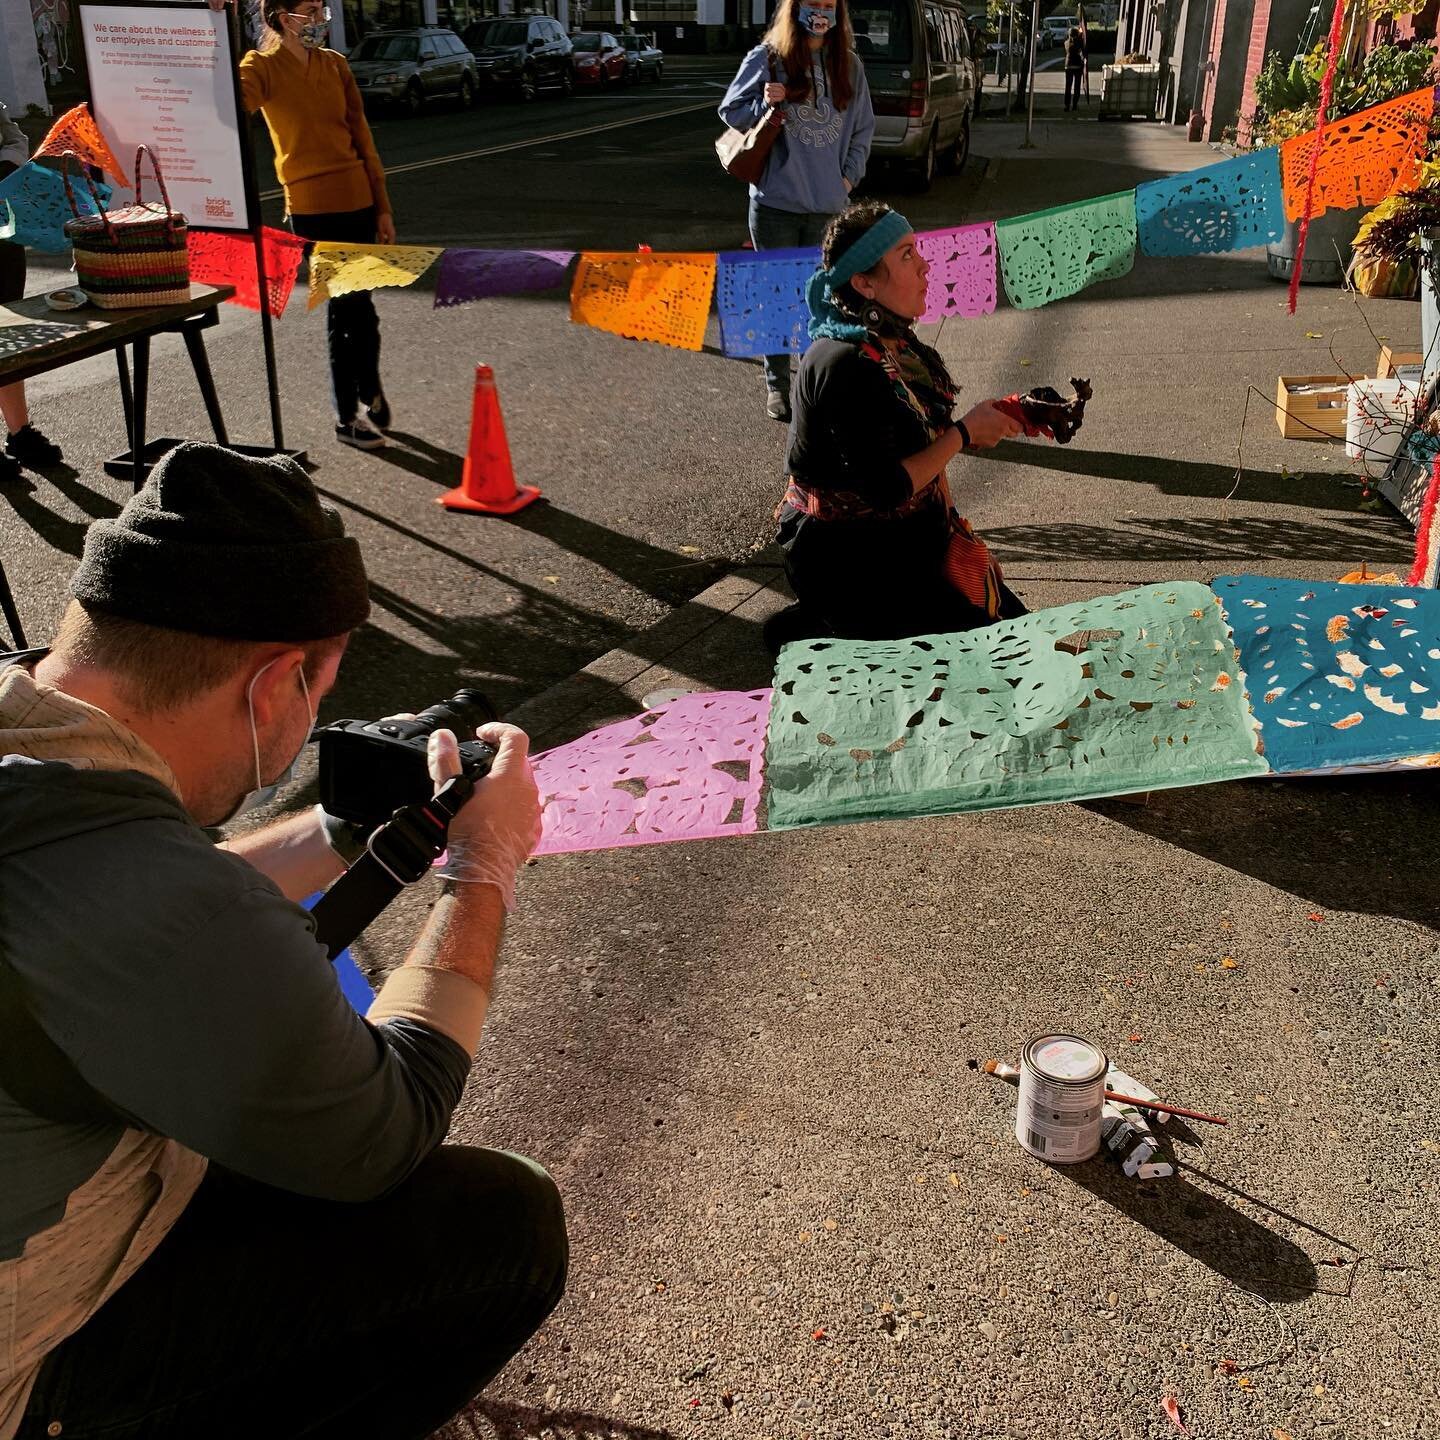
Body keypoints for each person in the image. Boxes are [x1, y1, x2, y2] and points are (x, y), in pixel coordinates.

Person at [0, 443, 566, 1439]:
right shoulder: (163, 902)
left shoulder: (37, 765)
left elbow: (147, 932)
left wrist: (344, 833)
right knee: (498, 1228)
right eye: (313, 698)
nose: (306, 727)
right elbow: (387, 1125)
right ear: (272, 688)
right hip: (28, 1378)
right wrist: (485, 865)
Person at [767, 201, 1027, 648]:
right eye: (907, 256)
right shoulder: (844, 363)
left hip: (902, 541)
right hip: (852, 560)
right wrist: (963, 433)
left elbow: (924, 454)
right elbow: (885, 489)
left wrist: (961, 540)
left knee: (1017, 627)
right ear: (864, 283)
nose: (925, 266)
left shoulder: (893, 345)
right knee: (994, 657)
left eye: (917, 250)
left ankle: (831, 626)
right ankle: (820, 624)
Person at [240, 0, 396, 450]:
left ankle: (369, 388)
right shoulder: (262, 66)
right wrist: (215, 22)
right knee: (342, 308)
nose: (319, 20)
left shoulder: (335, 65)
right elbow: (234, 101)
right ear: (281, 17)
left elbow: (361, 136)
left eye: (322, 9)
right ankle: (347, 415)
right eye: (309, 9)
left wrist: (382, 206)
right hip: (311, 207)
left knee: (362, 307)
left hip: (358, 200)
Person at [719, 0, 874, 424]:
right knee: (776, 301)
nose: (820, 11)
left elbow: (863, 129)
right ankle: (777, 386)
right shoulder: (769, 58)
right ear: (795, 7)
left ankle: (812, 387)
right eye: (812, 3)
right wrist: (764, 104)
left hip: (828, 210)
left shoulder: (850, 66)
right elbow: (730, 110)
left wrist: (847, 180)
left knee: (819, 304)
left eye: (828, 4)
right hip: (774, 207)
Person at [0, 100, 64, 485]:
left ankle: (19, 433)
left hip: (1, 226)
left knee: (7, 331)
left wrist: (7, 163)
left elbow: (14, 136)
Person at [1063, 26, 1086, 112]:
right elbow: (1082, 51)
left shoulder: (1066, 43)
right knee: (1077, 86)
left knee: (1068, 86)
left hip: (1068, 66)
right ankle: (1075, 105)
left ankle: (1067, 105)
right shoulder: (1079, 42)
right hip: (1077, 66)